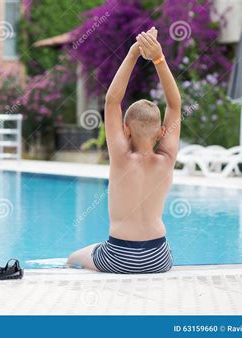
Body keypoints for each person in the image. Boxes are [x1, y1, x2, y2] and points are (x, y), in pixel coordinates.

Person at [67, 27, 181, 273]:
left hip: (118, 257)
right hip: (159, 259)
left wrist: (132, 54)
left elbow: (112, 101)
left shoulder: (120, 158)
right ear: (161, 132)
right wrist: (159, 59)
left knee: (73, 258)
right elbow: (175, 104)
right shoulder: (167, 160)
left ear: (125, 130)